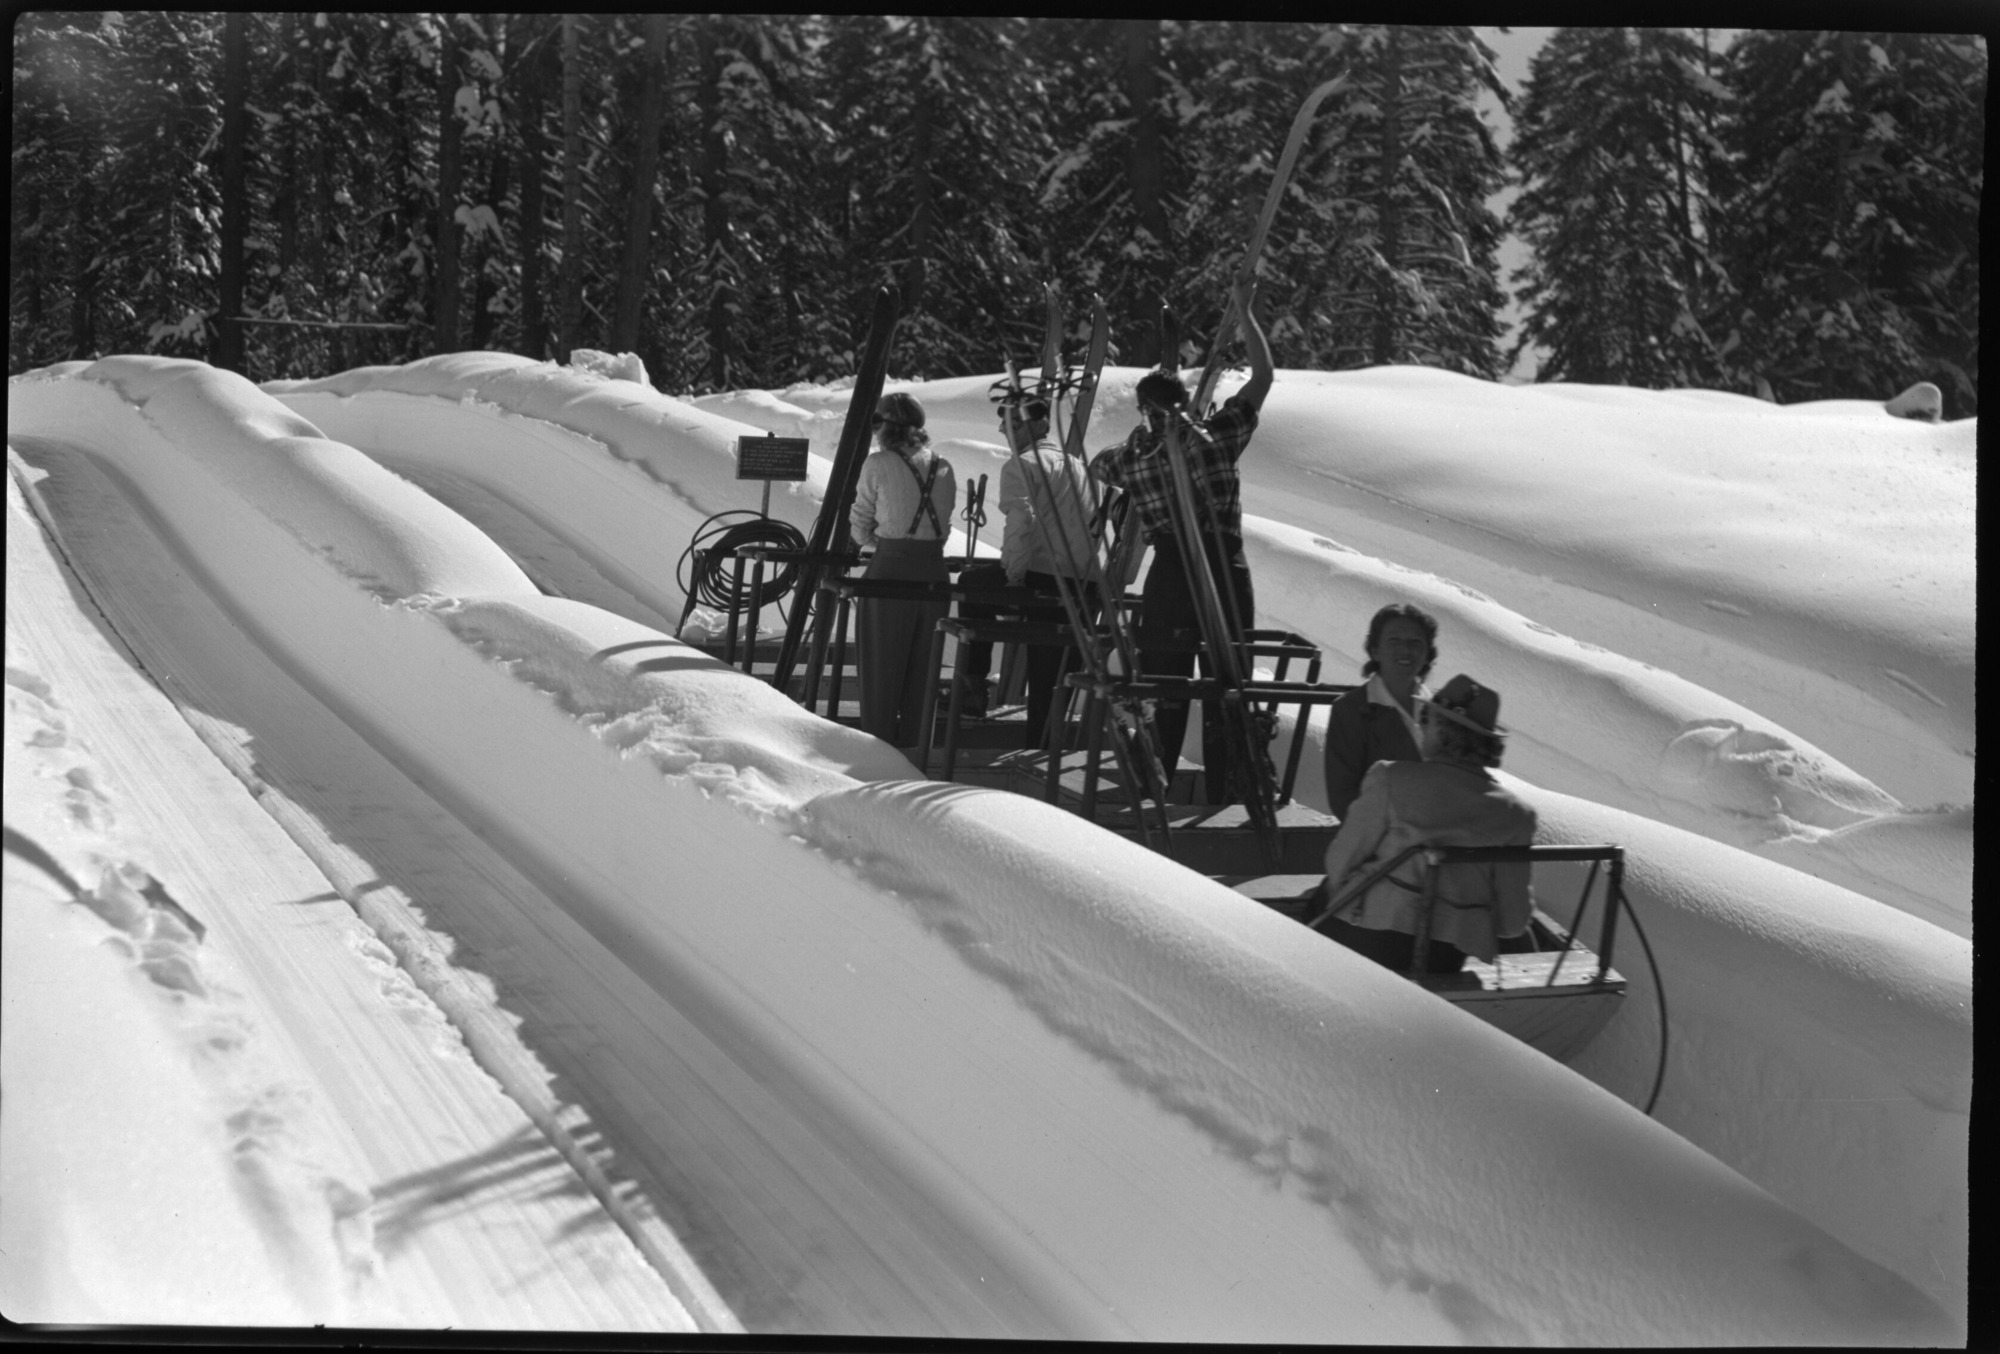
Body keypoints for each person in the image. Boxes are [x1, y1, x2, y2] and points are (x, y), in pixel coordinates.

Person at [1090, 279, 1273, 802]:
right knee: (1229, 681)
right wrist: (1245, 311)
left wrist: (1138, 439)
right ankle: (1230, 788)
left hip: (1173, 572)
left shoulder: (1135, 459)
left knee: (1164, 680)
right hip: (1225, 564)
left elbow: (1101, 464)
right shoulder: (1219, 437)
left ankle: (1154, 780)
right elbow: (1264, 376)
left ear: (1145, 410)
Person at [1316, 674, 1537, 975]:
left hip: (1366, 933)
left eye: (1425, 719)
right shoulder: (1516, 815)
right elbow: (1512, 923)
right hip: (1445, 957)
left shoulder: (1391, 778)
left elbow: (1340, 862)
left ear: (1438, 730)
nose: (1420, 727)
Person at [954, 393, 1099, 744]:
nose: (1004, 430)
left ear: (1032, 425)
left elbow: (1020, 524)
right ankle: (1044, 742)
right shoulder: (1078, 466)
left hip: (1042, 578)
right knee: (1051, 674)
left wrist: (1013, 579)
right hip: (1083, 584)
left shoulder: (1021, 465)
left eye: (1010, 424)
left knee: (971, 586)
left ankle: (972, 695)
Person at [850, 391, 957, 747]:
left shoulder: (877, 464)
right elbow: (945, 526)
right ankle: (917, 749)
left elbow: (861, 522)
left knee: (881, 667)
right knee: (924, 671)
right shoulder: (943, 465)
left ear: (885, 428)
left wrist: (879, 541)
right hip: (933, 573)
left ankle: (877, 748)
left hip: (890, 570)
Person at [1322, 603, 1440, 821]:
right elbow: (1343, 797)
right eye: (1394, 641)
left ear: (1427, 654)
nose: (1405, 650)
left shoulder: (1442, 710)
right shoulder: (1350, 711)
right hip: (1386, 848)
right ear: (1375, 650)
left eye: (1415, 642)